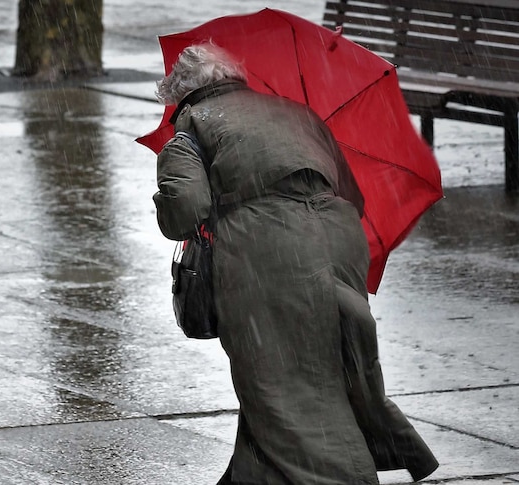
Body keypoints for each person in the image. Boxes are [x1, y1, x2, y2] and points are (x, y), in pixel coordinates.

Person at [152, 43, 439, 484]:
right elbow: (351, 193)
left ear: (181, 92)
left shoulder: (190, 127)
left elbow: (183, 212)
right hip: (337, 239)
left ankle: (340, 477)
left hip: (267, 251)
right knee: (328, 365)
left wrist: (170, 198)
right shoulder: (294, 112)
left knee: (279, 383)